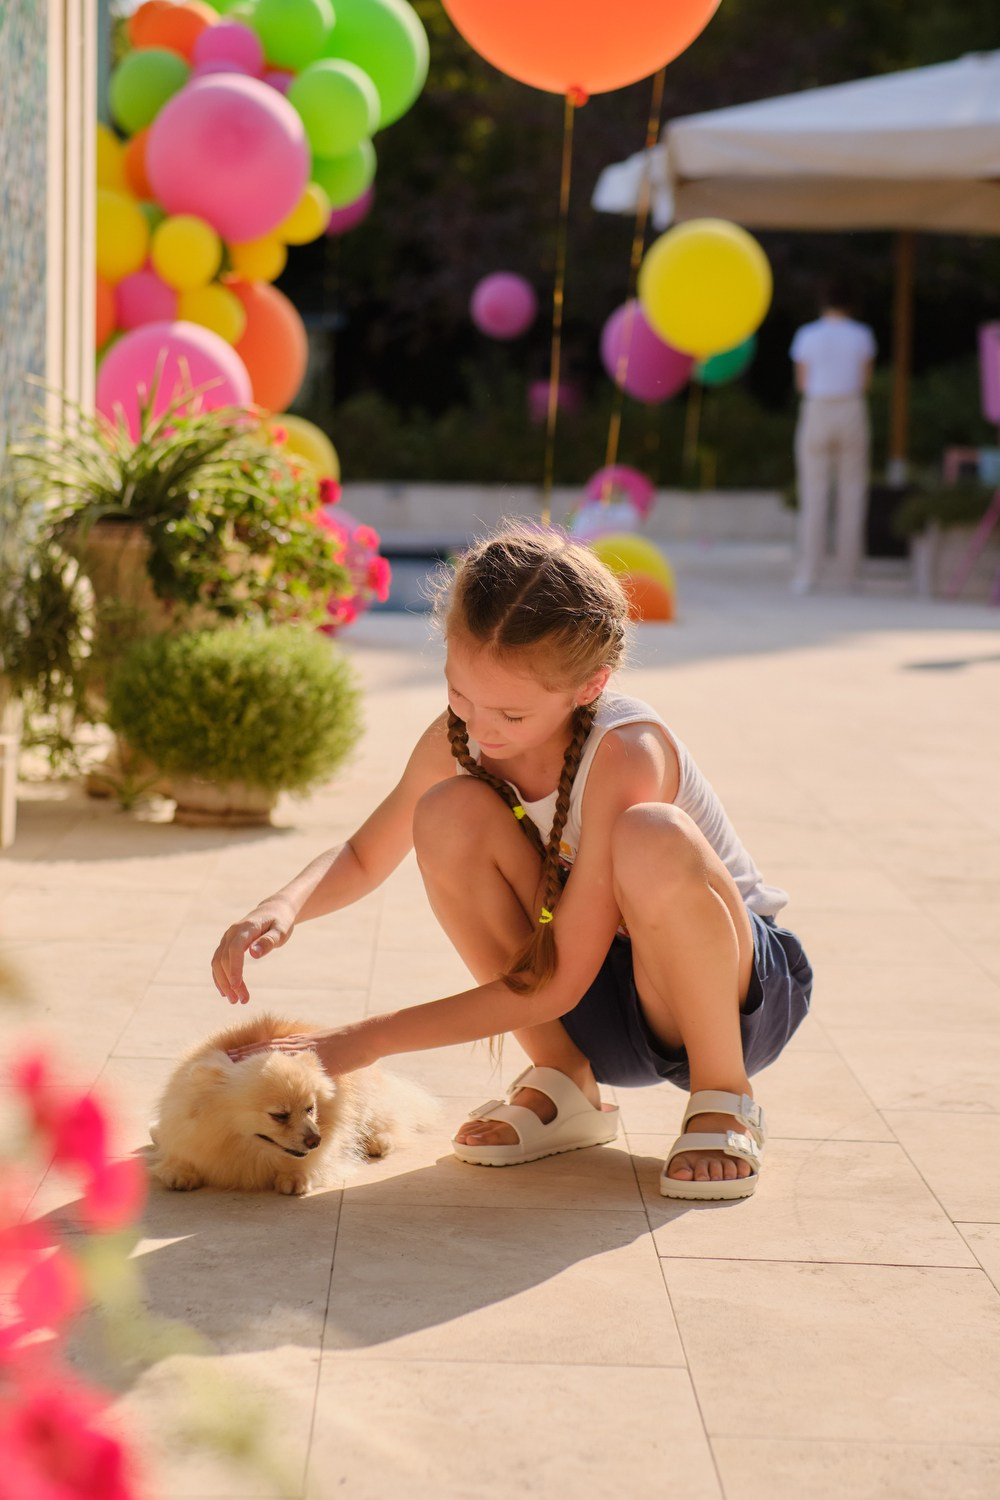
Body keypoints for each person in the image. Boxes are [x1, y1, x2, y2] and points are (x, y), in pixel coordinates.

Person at [212, 528, 813, 1202]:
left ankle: (723, 1095)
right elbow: (362, 853)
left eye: (512, 712)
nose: (482, 728)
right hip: (598, 997)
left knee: (651, 833)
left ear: (591, 686)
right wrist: (282, 906)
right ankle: (565, 1081)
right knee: (444, 813)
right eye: (460, 694)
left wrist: (361, 1041)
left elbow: (556, 984)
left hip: (726, 995)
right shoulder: (460, 738)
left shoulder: (626, 751)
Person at [789, 280, 877, 594]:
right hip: (850, 408)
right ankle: (849, 576)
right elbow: (864, 381)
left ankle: (808, 575)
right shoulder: (862, 335)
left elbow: (802, 383)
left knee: (814, 494)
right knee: (852, 494)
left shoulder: (807, 335)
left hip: (817, 409)